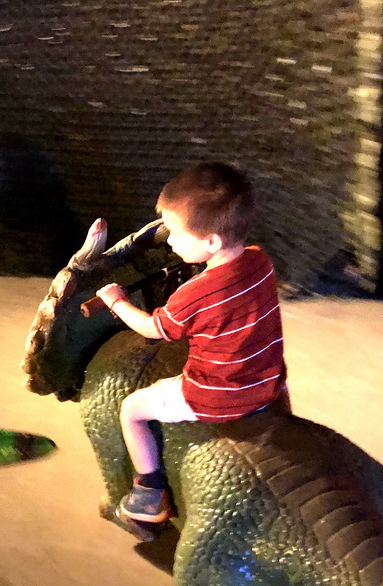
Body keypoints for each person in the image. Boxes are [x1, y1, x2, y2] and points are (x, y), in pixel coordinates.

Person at [95, 161, 290, 524]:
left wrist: (116, 301)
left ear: (211, 241)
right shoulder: (260, 261)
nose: (169, 241)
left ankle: (148, 494)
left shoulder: (194, 293)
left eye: (175, 233)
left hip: (216, 395)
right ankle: (283, 417)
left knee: (132, 410)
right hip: (267, 380)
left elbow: (156, 329)